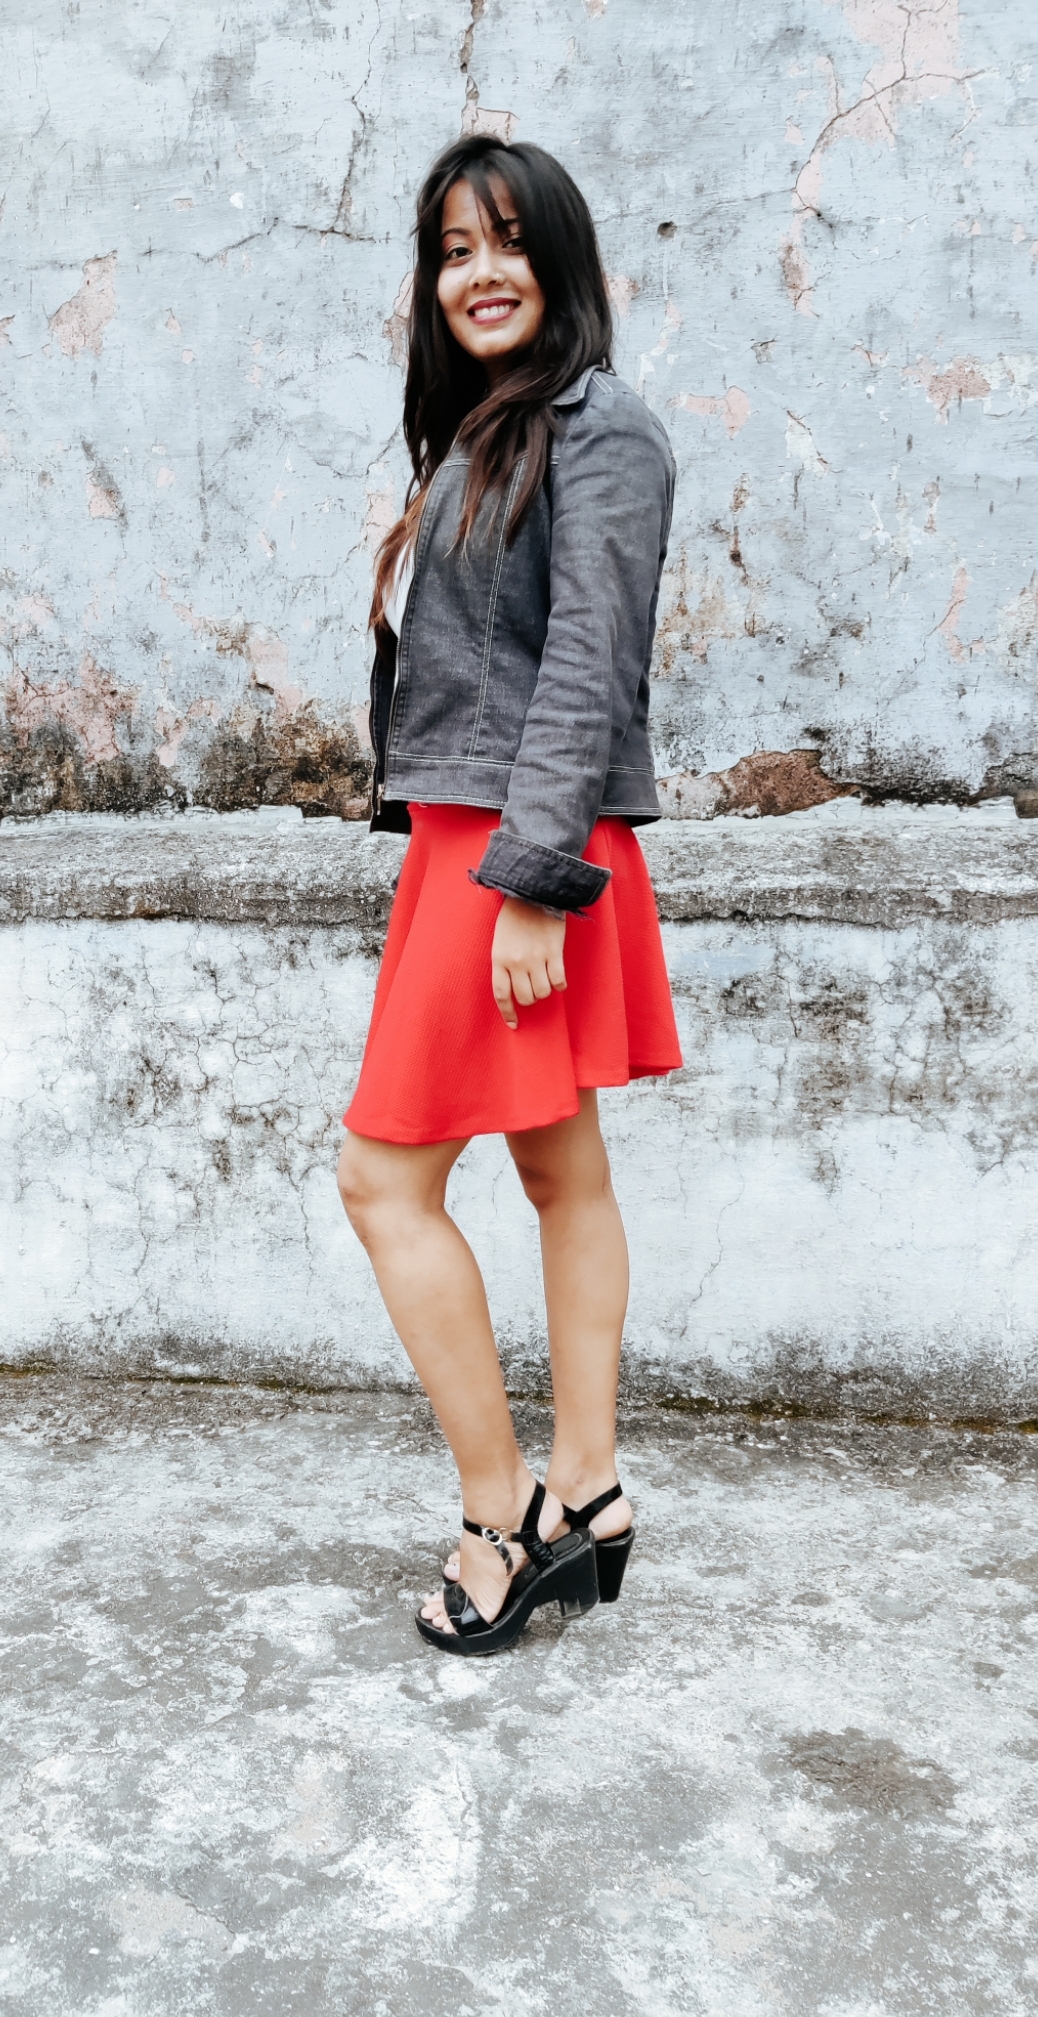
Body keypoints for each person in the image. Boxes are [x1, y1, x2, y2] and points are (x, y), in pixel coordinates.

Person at [335, 135, 683, 1655]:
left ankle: (507, 1514)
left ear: (563, 260)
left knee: (381, 1180)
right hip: (472, 850)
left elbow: (589, 666)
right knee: (559, 1167)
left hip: (516, 855)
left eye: (508, 241)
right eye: (452, 248)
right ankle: (591, 1491)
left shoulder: (604, 432)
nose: (480, 272)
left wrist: (534, 883)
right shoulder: (492, 432)